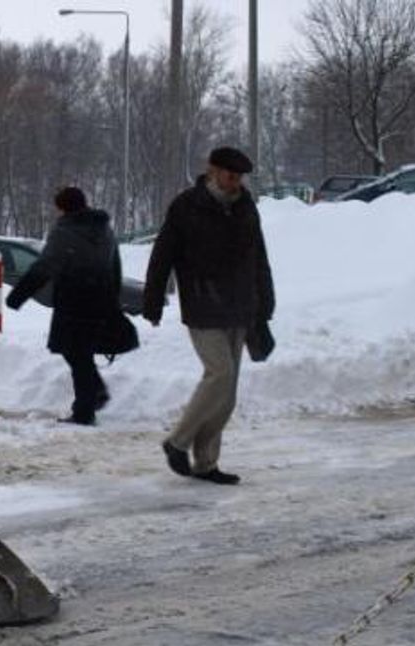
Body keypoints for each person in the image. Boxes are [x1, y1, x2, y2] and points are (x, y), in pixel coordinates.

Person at [143, 146, 275, 485]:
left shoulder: (246, 206)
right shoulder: (187, 206)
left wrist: (265, 303)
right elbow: (163, 255)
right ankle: (177, 442)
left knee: (227, 393)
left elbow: (258, 257)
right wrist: (153, 300)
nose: (234, 182)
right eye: (229, 175)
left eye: (239, 177)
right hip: (203, 303)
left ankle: (206, 463)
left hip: (240, 305)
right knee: (219, 373)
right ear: (212, 170)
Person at [6, 187, 136, 426]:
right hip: (100, 298)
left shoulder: (65, 231)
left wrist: (18, 295)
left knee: (76, 354)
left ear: (63, 208)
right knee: (80, 354)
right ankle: (94, 394)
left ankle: (85, 410)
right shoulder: (104, 229)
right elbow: (115, 265)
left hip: (73, 301)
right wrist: (112, 295)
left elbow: (44, 266)